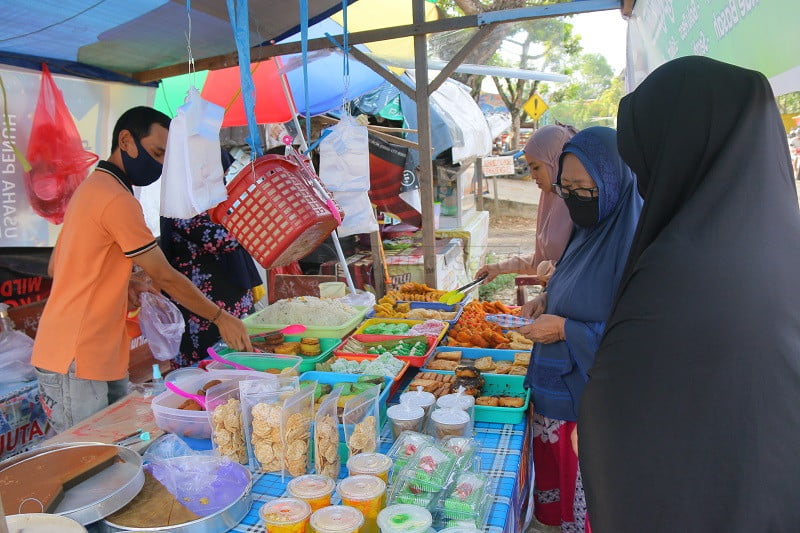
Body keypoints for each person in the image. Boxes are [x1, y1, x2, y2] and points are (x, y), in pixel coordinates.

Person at [579, 57, 800, 533]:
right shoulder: (783, 249)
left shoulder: (678, 272)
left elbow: (621, 427)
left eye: (647, 163)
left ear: (678, 152)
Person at [31, 106, 253, 433]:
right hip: (74, 356)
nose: (160, 164)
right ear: (126, 140)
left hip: (96, 350)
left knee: (112, 452)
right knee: (86, 462)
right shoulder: (115, 199)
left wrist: (125, 281)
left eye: (166, 158)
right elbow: (164, 275)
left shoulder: (95, 189)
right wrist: (221, 318)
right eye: (157, 152)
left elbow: (60, 265)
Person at [515, 126, 642, 532]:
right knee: (557, 505)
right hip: (556, 397)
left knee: (586, 511)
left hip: (589, 410)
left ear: (611, 184)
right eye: (564, 187)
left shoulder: (636, 245)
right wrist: (547, 301)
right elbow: (570, 283)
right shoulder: (588, 230)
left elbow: (638, 338)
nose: (570, 198)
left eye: (582, 188)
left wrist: (567, 330)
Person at [160, 149, 262, 368]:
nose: (221, 180)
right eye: (217, 174)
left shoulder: (211, 202)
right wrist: (259, 212)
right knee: (209, 374)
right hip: (204, 311)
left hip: (230, 306)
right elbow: (225, 239)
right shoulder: (185, 206)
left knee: (239, 367)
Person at [475, 125, 576, 283]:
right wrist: (498, 268)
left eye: (536, 167)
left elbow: (581, 271)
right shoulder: (551, 199)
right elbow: (540, 260)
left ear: (556, 162)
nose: (532, 176)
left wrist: (547, 272)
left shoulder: (581, 206)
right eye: (530, 168)